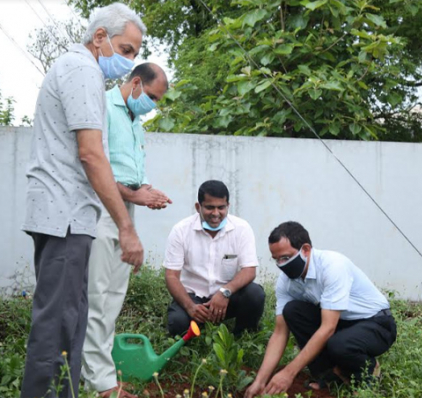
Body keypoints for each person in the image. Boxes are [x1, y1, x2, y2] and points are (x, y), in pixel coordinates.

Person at [20, 4, 146, 398]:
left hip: (70, 216)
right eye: (126, 50)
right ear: (99, 38)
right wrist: (126, 226)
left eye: (134, 54)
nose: (130, 62)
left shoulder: (86, 73)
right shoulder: (81, 70)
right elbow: (91, 155)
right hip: (65, 215)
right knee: (57, 325)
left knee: (69, 323)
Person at [81, 63, 171, 398]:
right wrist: (136, 195)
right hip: (101, 207)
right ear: (135, 82)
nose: (152, 105)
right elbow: (95, 165)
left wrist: (148, 192)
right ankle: (102, 385)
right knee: (97, 296)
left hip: (125, 208)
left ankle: (100, 378)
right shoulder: (102, 107)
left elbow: (131, 170)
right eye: (150, 96)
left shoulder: (136, 121)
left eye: (157, 100)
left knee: (113, 298)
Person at [245, 222, 397, 398]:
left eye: (286, 258)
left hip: (376, 324)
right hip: (341, 322)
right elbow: (280, 332)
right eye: (276, 259)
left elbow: (328, 328)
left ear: (306, 249)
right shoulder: (286, 282)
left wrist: (289, 373)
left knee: (340, 344)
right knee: (292, 311)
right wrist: (260, 381)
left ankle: (367, 372)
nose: (281, 264)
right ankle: (331, 375)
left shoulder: (332, 266)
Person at [163, 180, 265, 337]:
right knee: (177, 323)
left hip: (227, 297)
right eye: (210, 207)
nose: (216, 213)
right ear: (198, 207)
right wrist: (190, 307)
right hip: (193, 298)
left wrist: (225, 292)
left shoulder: (242, 228)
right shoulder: (181, 231)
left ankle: (242, 338)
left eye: (221, 207)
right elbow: (171, 276)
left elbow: (249, 270)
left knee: (255, 294)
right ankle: (195, 335)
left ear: (228, 206)